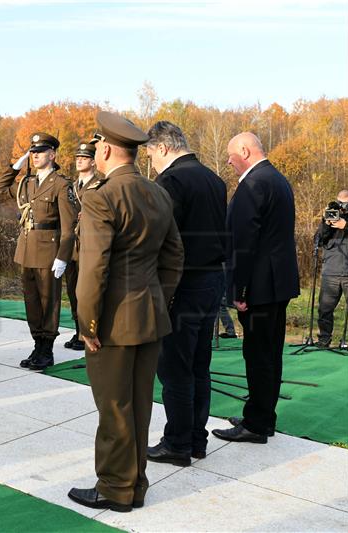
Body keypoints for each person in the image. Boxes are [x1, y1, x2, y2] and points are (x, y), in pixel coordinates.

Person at [68, 111, 184, 513]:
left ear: (104, 149)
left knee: (114, 407)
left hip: (113, 322)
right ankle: (135, 484)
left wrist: (88, 323)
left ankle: (115, 489)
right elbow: (174, 258)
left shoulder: (101, 196)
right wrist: (157, 301)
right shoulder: (158, 193)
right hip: (149, 317)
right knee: (139, 404)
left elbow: (93, 269)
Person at [143, 121, 227, 467]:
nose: (149, 161)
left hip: (184, 282)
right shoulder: (214, 179)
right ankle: (196, 438)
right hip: (212, 280)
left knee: (175, 366)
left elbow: (161, 238)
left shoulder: (172, 181)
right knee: (198, 365)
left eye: (149, 153)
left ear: (162, 148)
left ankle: (177, 443)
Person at [212, 132, 299, 444]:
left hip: (259, 288)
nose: (229, 161)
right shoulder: (277, 179)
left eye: (231, 155)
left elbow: (245, 244)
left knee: (259, 354)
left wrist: (240, 291)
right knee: (271, 353)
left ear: (245, 151)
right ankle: (263, 415)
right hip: (277, 284)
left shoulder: (253, 183)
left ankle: (257, 423)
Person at [0, 133, 77, 370]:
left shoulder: (61, 184)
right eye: (33, 152)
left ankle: (47, 349)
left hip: (49, 251)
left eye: (40, 151)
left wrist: (63, 256)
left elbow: (69, 227)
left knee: (48, 302)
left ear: (52, 155)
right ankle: (37, 345)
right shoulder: (26, 183)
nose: (35, 155)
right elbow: (0, 188)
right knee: (31, 301)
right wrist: (15, 167)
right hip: (27, 249)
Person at [64, 141, 98, 351]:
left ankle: (89, 332)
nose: (79, 161)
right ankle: (78, 331)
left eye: (84, 158)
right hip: (71, 246)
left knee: (87, 292)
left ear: (93, 162)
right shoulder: (71, 187)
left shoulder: (101, 184)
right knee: (72, 290)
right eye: (77, 157)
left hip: (89, 244)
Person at [315, 189, 348, 347]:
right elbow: (318, 240)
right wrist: (326, 223)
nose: (342, 206)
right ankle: (324, 340)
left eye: (346, 203)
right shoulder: (332, 216)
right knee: (325, 310)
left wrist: (346, 226)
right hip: (331, 271)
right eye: (340, 202)